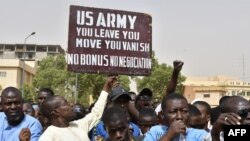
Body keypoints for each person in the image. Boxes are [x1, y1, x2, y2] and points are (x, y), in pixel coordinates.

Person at [38, 76, 117, 141]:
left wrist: (106, 89)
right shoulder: (48, 137)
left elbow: (96, 113)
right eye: (66, 103)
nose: (71, 105)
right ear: (56, 112)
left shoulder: (79, 125)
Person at [144, 93, 209, 141]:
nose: (179, 116)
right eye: (173, 112)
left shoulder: (200, 135)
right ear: (162, 115)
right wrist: (167, 136)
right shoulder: (155, 131)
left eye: (184, 111)